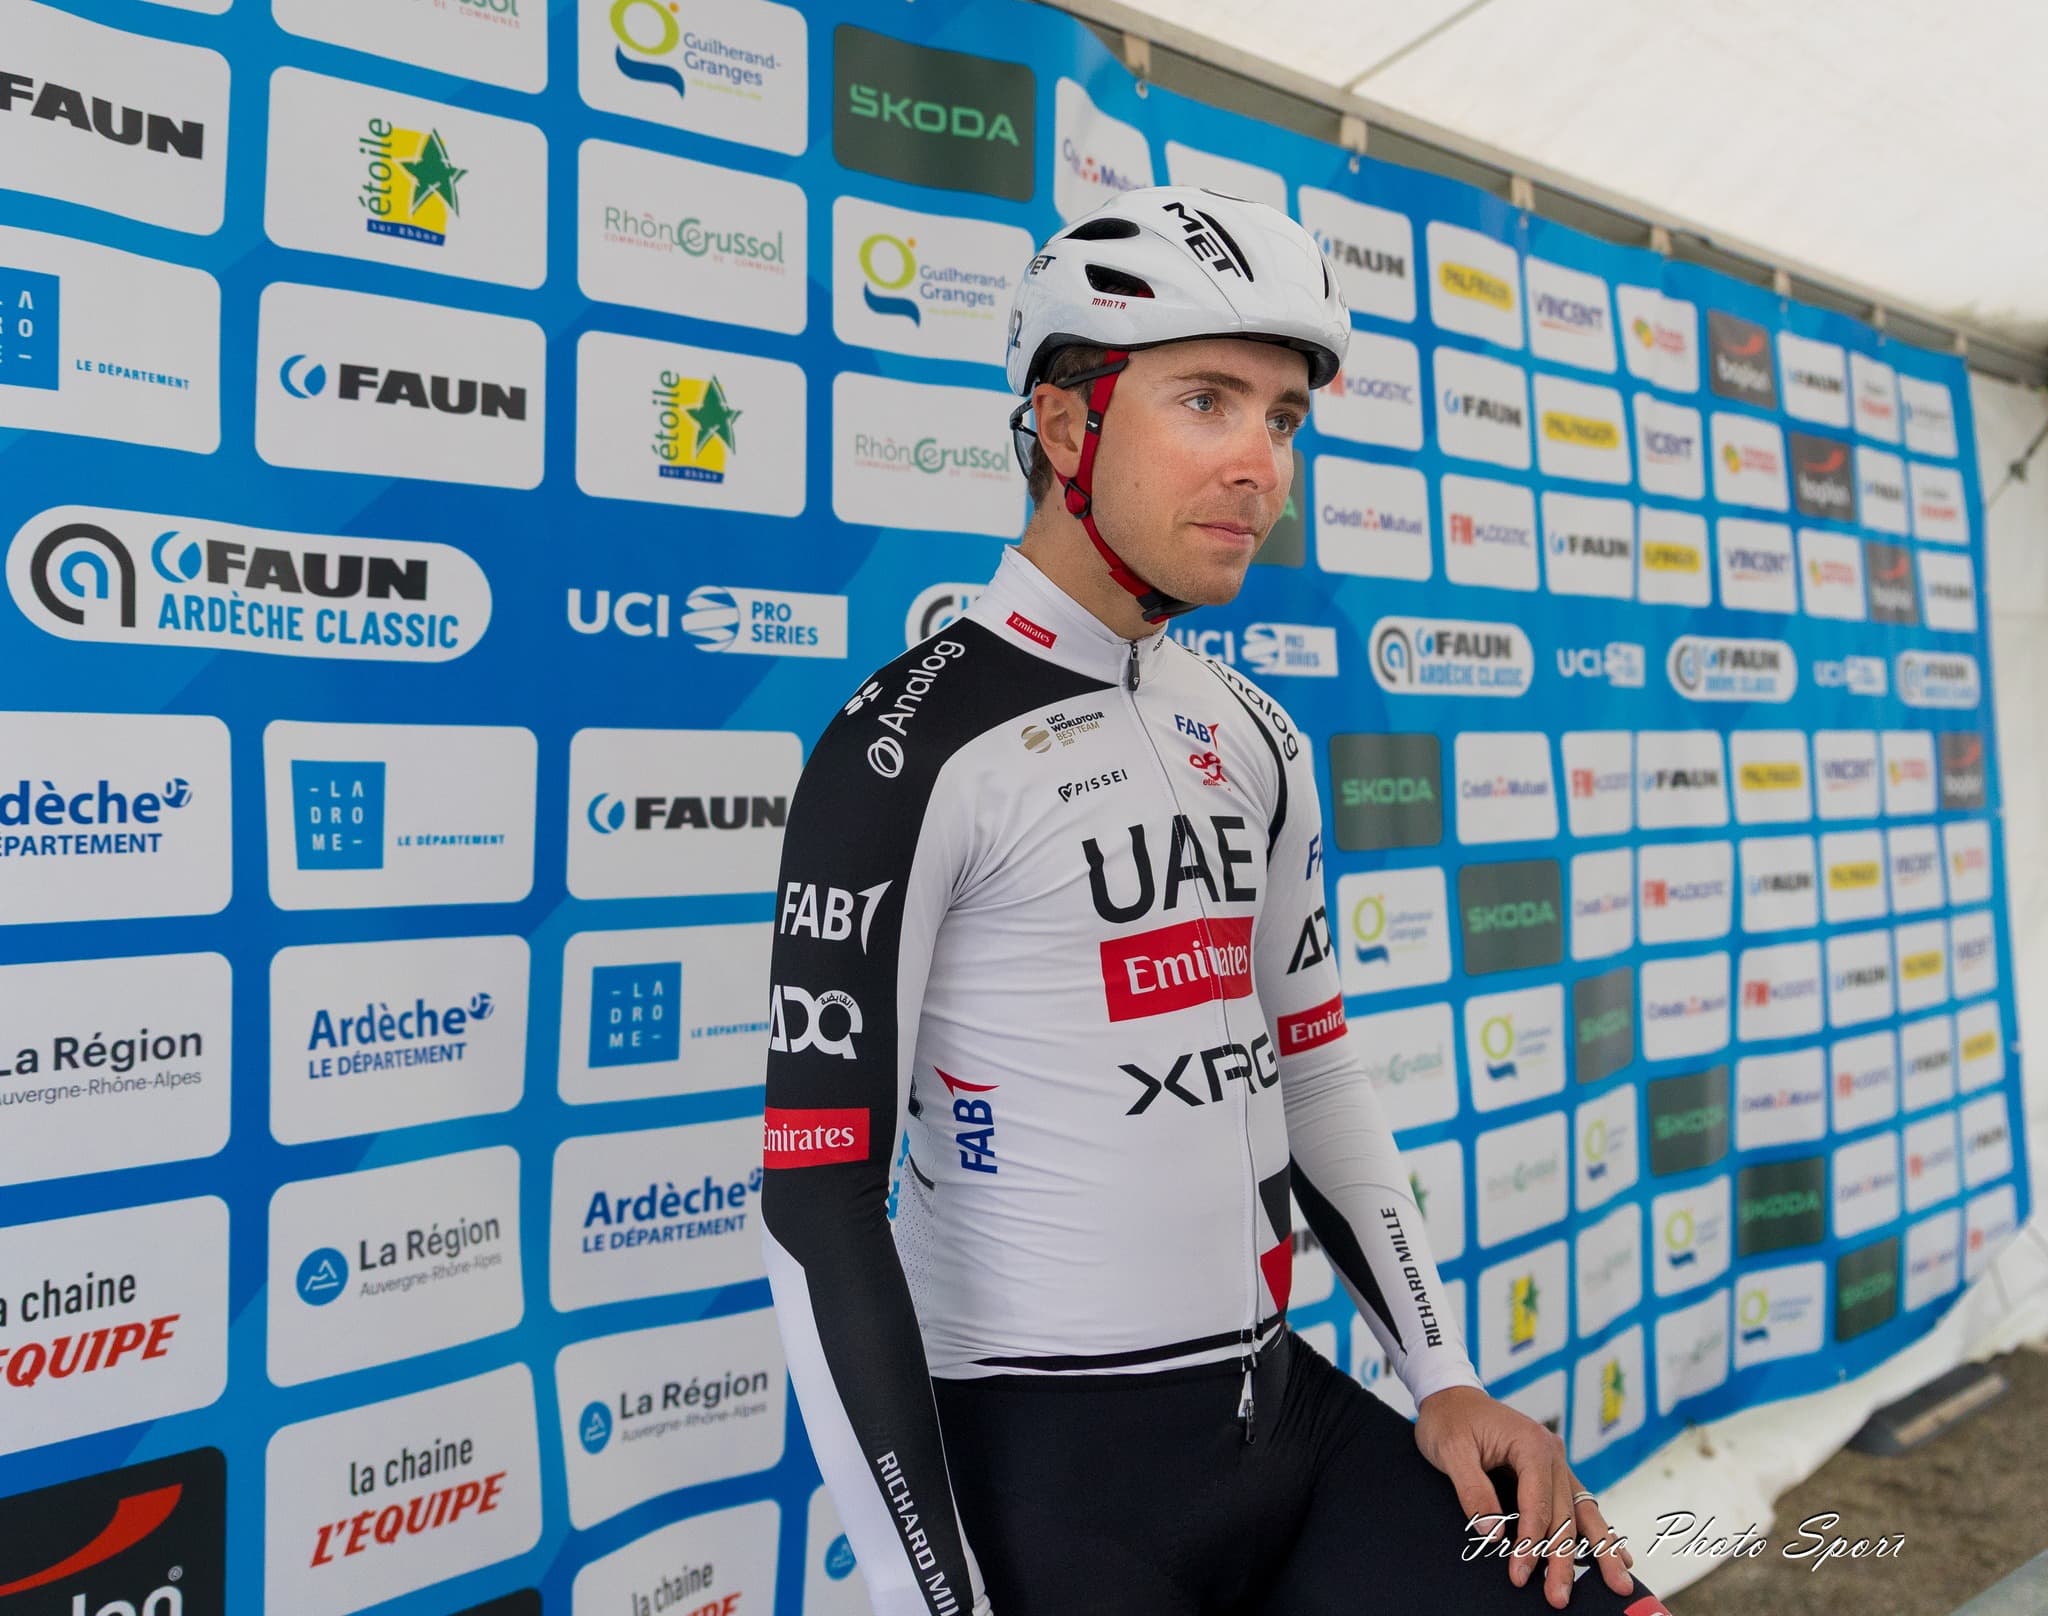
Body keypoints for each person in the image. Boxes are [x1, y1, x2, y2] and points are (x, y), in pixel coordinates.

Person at [761, 186, 1668, 1616]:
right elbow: (818, 1200)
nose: (1261, 465)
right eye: (1206, 402)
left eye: (1284, 418)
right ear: (1066, 426)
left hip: (1283, 1423)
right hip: (1047, 1473)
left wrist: (1444, 1379)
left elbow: (1312, 1070)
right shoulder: (905, 749)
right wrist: (931, 1590)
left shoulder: (1256, 731)